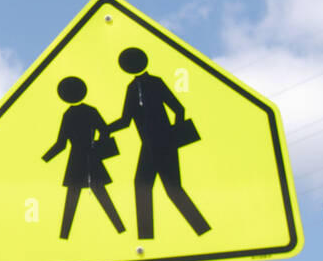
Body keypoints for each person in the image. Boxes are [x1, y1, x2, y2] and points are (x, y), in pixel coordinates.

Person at [106, 47, 210, 240]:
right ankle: (149, 237)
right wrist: (105, 129)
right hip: (151, 146)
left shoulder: (154, 83)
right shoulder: (132, 88)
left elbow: (178, 109)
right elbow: (126, 120)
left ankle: (200, 229)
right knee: (150, 186)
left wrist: (173, 135)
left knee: (167, 188)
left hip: (161, 144)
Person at [42, 76, 125, 239]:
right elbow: (105, 130)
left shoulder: (68, 114)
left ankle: (64, 236)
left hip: (76, 159)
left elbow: (61, 144)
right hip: (92, 156)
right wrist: (98, 145)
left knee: (73, 198)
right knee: (100, 194)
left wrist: (44, 159)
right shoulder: (91, 111)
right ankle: (120, 229)